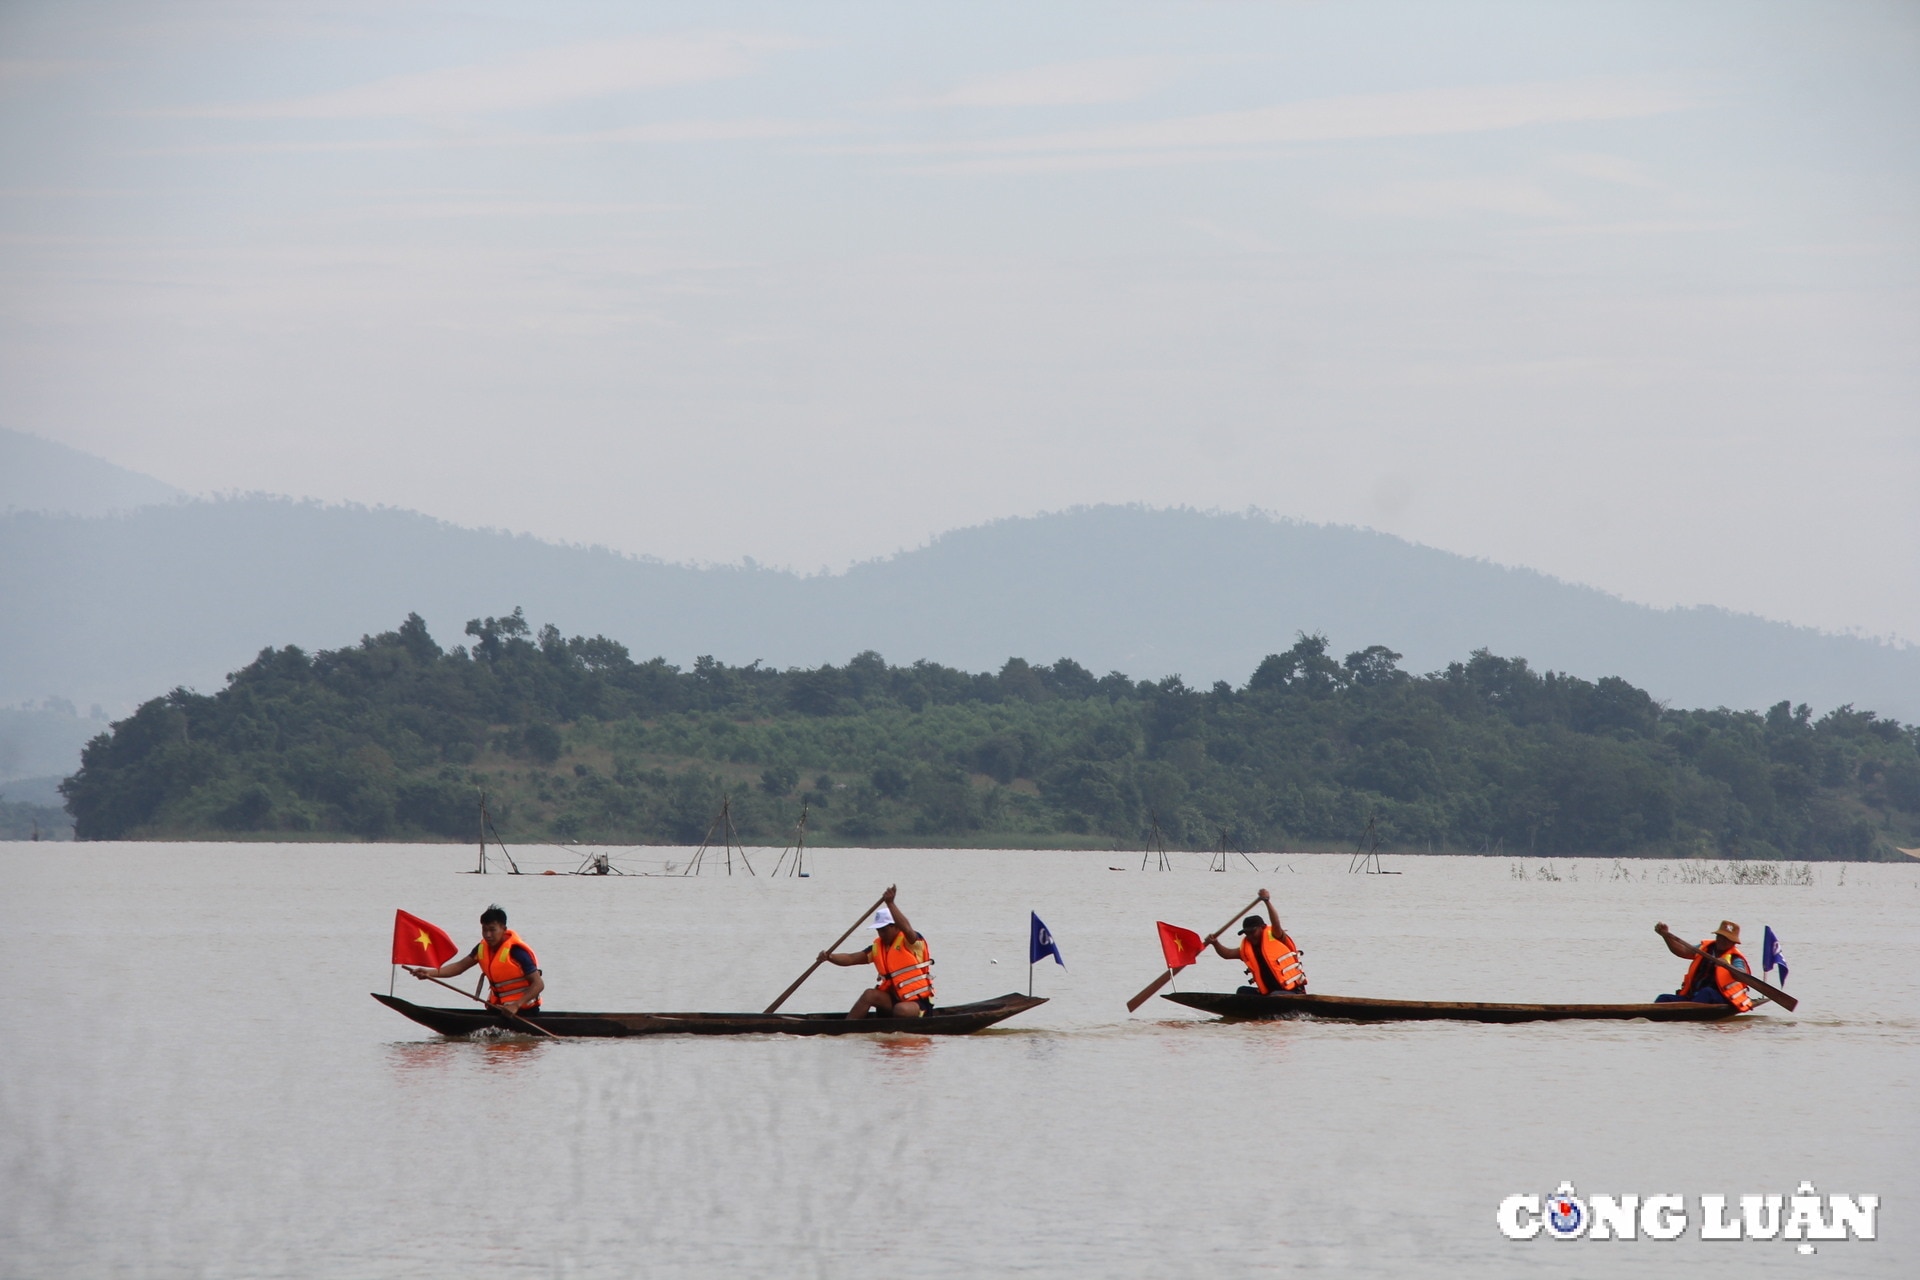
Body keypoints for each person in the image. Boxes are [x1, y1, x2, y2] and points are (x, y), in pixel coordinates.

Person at [406, 904, 545, 1015]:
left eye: (492, 930)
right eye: (484, 930)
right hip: (498, 1009)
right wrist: (429, 973)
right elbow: (459, 967)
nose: (488, 935)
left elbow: (538, 985)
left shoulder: (517, 952)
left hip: (524, 1011)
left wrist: (516, 1005)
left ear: (503, 929)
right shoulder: (481, 948)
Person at [818, 887, 935, 1018]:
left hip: (918, 1003)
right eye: (878, 930)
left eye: (884, 930)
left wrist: (890, 903)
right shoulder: (877, 948)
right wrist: (829, 957)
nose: (881, 934)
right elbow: (851, 959)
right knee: (869, 994)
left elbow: (907, 928)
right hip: (893, 999)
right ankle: (847, 1028)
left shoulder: (911, 942)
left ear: (895, 926)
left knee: (900, 1010)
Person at [1210, 888, 1307, 995]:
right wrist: (1215, 943)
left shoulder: (1276, 935)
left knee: (1275, 995)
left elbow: (1276, 922)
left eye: (1253, 932)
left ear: (1262, 927)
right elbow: (1227, 954)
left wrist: (1267, 902)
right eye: (1247, 933)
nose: (1250, 936)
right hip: (1269, 994)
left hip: (1292, 992)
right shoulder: (1247, 948)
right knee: (1241, 991)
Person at [1652, 919, 1752, 1010]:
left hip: (1720, 997)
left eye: (1727, 939)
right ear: (1716, 936)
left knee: (1706, 992)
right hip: (1693, 997)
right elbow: (1682, 951)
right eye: (1721, 937)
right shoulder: (1704, 948)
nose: (1722, 941)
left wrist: (1727, 966)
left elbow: (1742, 975)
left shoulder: (1736, 958)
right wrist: (1666, 936)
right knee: (1663, 998)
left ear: (1733, 942)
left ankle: (1689, 1012)